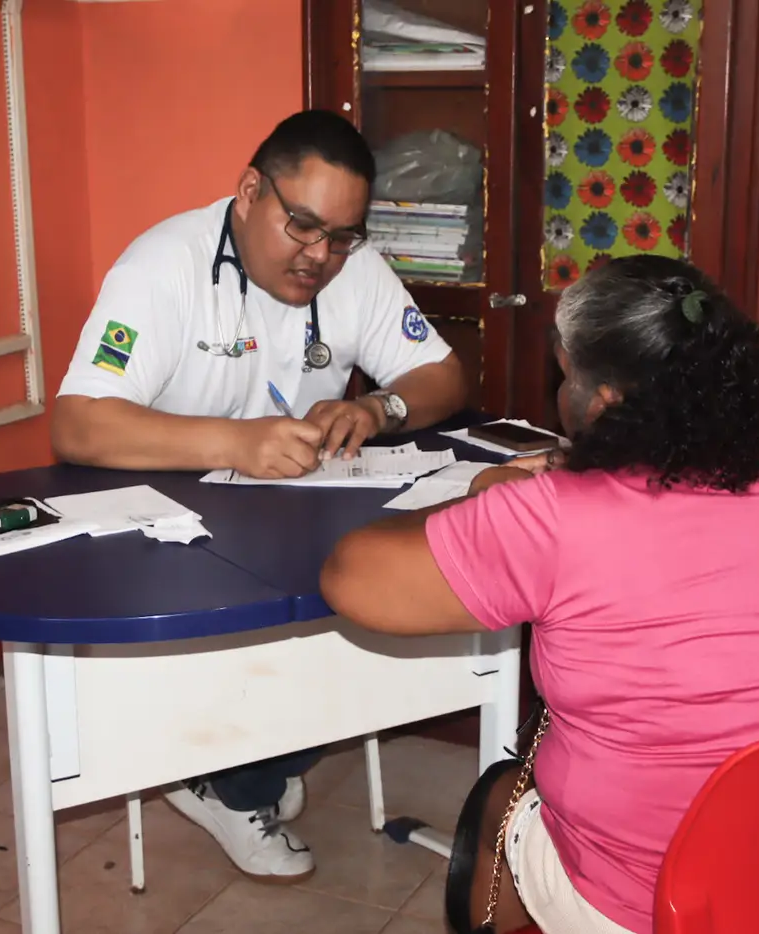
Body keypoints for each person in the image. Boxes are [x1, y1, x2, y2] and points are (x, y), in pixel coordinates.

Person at [320, 255, 759, 934]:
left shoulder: (558, 517)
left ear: (605, 403)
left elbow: (350, 577)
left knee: (497, 799)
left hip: (654, 903)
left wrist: (485, 498)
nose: (562, 392)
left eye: (567, 375)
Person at [51, 109, 469, 883]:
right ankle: (229, 780)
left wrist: (380, 408)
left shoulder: (351, 267)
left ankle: (264, 756)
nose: (319, 257)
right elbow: (77, 424)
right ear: (249, 193)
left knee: (373, 594)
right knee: (282, 625)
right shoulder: (162, 267)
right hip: (166, 530)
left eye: (342, 237)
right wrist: (234, 442)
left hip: (289, 515)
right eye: (302, 227)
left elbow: (442, 375)